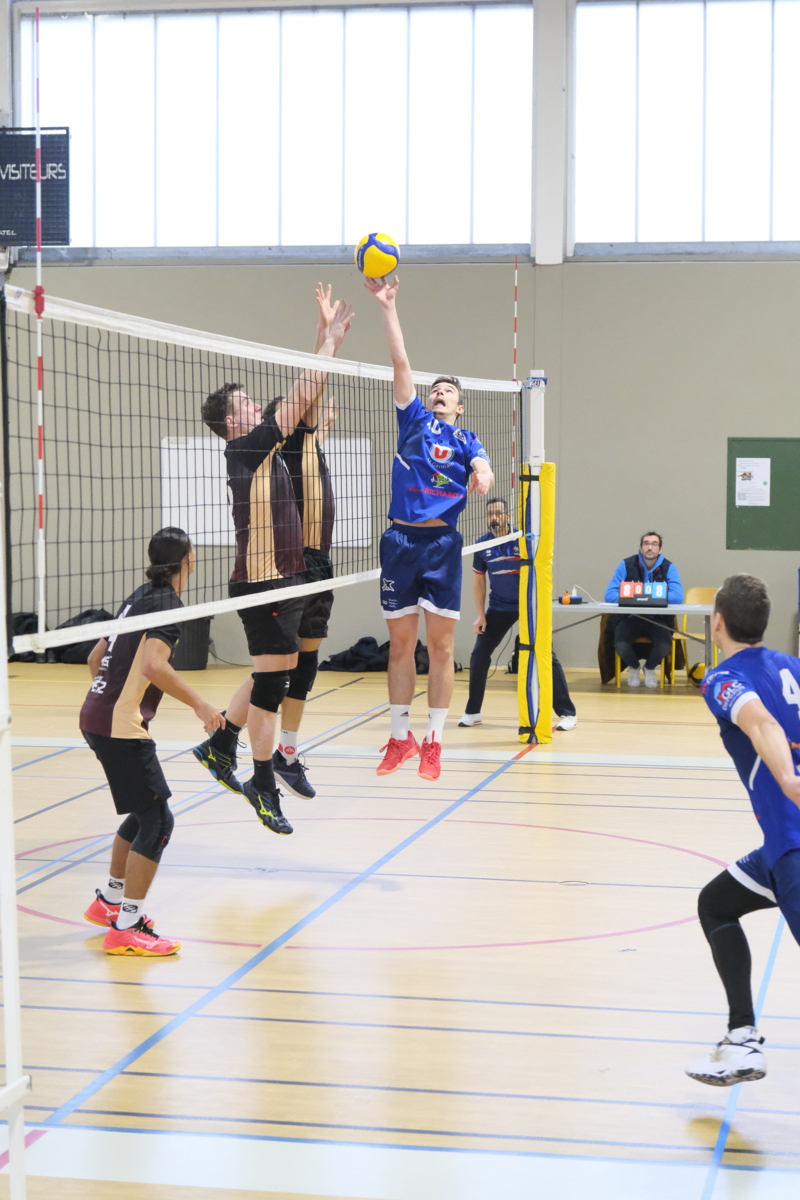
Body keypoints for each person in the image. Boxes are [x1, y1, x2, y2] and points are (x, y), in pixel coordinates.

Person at [192, 291, 353, 833]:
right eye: (245, 403)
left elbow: (305, 398)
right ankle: (261, 780)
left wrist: (324, 338)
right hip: (263, 587)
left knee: (275, 676)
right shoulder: (245, 448)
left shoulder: (263, 449)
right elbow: (301, 394)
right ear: (232, 421)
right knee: (271, 685)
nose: (254, 404)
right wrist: (329, 342)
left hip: (280, 582)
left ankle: (223, 747)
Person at [365, 274, 494, 781]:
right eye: (436, 388)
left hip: (440, 544)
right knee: (400, 645)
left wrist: (483, 475)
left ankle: (434, 742)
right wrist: (388, 306)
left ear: (460, 406)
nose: (440, 393)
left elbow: (482, 464)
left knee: (440, 648)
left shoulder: (466, 439)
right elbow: (401, 363)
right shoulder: (413, 419)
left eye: (449, 392)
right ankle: (401, 738)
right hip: (400, 541)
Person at [80, 528, 224, 957]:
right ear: (189, 560)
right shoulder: (167, 604)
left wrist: (113, 699)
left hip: (95, 715)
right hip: (117, 725)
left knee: (145, 811)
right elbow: (153, 665)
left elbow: (95, 658)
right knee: (158, 821)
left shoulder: (138, 597)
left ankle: (109, 903)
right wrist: (200, 704)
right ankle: (126, 927)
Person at [686, 574, 800, 1087]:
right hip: (777, 850)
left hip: (793, 847)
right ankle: (741, 1039)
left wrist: (789, 780)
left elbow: (762, 724)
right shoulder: (792, 667)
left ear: (717, 623)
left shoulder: (722, 679)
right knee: (716, 904)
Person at [458, 498, 576, 731]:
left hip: (528, 606)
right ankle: (473, 712)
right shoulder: (482, 545)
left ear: (507, 516)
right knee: (479, 655)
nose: (494, 518)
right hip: (499, 608)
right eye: (489, 514)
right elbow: (479, 581)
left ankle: (567, 713)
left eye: (498, 513)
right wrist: (480, 615)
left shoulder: (522, 540)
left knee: (545, 654)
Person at [604, 531, 683, 688]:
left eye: (654, 544)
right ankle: (634, 667)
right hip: (630, 618)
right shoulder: (626, 565)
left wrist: (643, 596)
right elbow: (609, 594)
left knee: (664, 646)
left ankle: (649, 668)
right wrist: (645, 596)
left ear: (660, 549)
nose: (650, 547)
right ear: (640, 548)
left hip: (657, 619)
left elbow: (677, 596)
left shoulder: (669, 567)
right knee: (620, 645)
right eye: (646, 543)